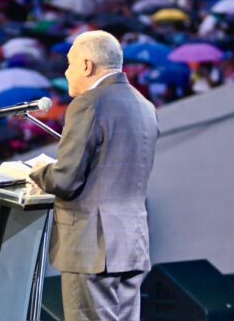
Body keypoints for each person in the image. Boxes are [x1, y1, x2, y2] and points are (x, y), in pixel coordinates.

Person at [28, 30, 159, 321]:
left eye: (70, 64)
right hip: (131, 243)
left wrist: (37, 173)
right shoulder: (145, 106)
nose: (66, 72)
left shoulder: (89, 103)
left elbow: (65, 180)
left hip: (92, 247)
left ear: (87, 65)